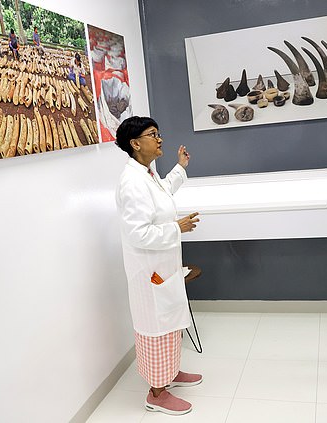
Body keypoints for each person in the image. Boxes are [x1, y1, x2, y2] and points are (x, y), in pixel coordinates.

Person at [115, 116, 202, 415]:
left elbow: (162, 193)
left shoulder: (146, 174)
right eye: (153, 135)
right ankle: (156, 392)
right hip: (149, 271)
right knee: (156, 328)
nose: (160, 139)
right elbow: (137, 233)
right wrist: (177, 228)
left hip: (163, 267)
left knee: (171, 322)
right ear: (135, 143)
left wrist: (180, 168)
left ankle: (170, 374)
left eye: (159, 133)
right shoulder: (132, 183)